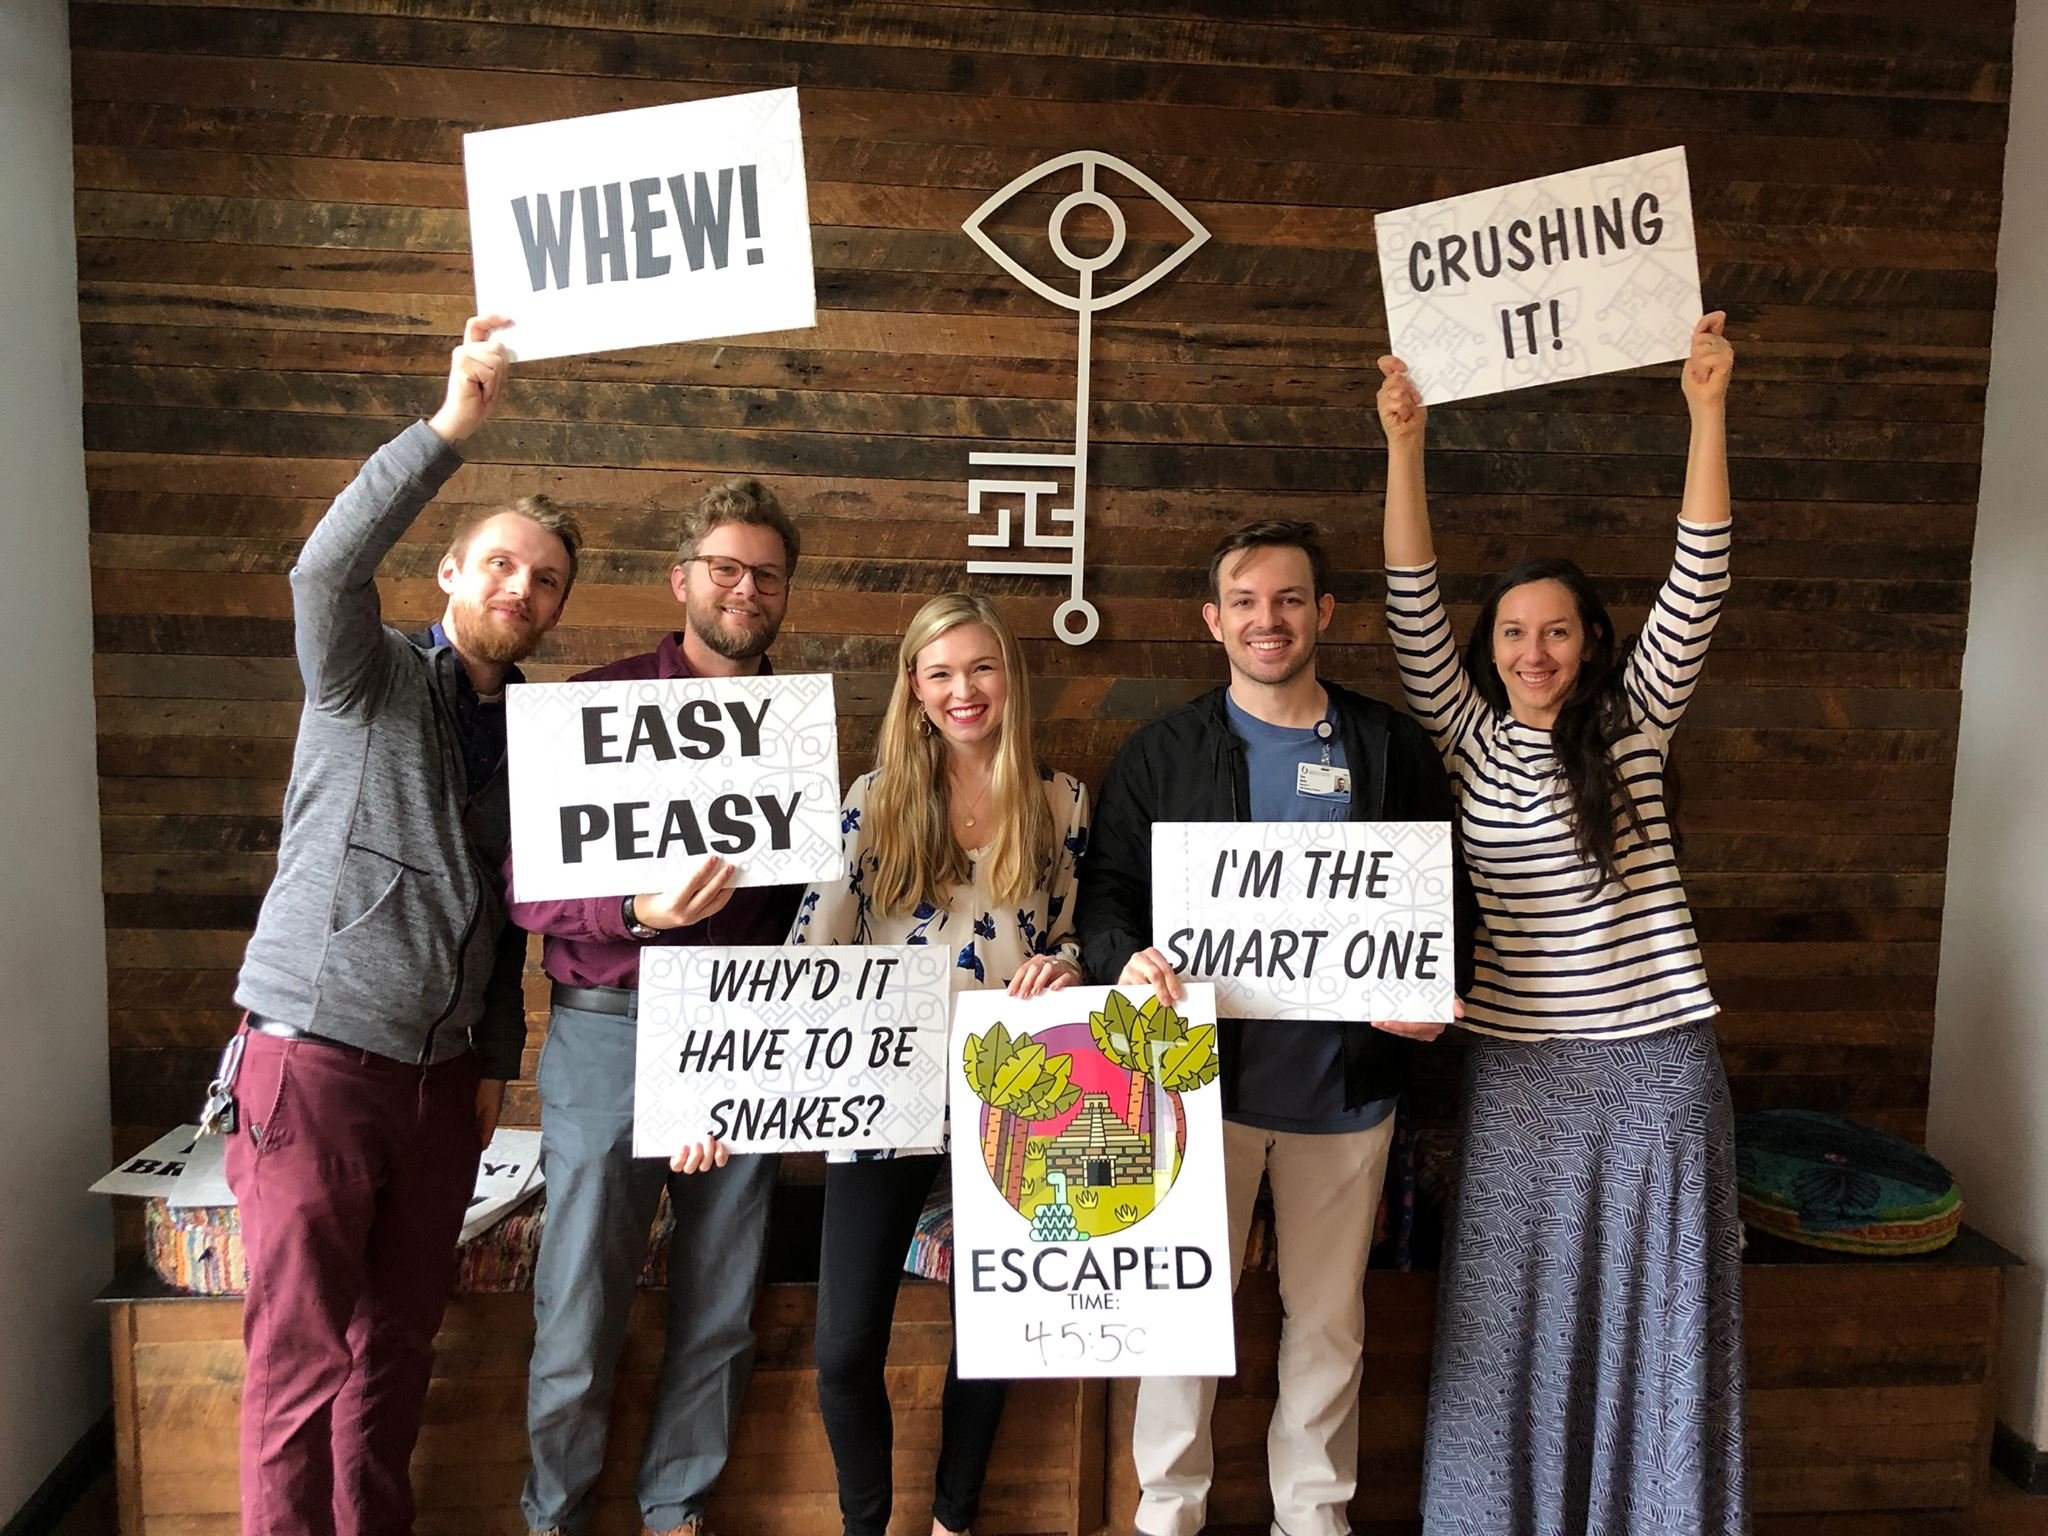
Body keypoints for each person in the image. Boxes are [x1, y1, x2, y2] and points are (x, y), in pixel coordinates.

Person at [1375, 314, 1744, 1535]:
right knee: (1506, 1323)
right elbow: (1408, 601)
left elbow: (1698, 577)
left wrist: (1704, 410)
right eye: (1511, 632)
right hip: (1520, 1071)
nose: (1532, 651)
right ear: (1488, 649)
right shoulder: (1464, 738)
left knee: (1659, 1318)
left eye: (1555, 630)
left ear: (1589, 644)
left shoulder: (1633, 723)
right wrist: (1404, 446)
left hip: (1656, 1068)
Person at [218, 314, 578, 1536]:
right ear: (450, 575)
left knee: (394, 1361)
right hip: (313, 1064)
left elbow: (510, 913)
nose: (520, 587)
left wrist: (491, 1065)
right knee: (298, 1369)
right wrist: (450, 428)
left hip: (438, 1091)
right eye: (501, 564)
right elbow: (322, 571)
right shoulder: (360, 674)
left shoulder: (538, 738)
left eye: (544, 580)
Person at [1075, 521, 1474, 1536]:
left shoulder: (1388, 747)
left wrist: (1435, 992)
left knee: (1329, 1323)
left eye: (1290, 599)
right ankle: (1166, 1512)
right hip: (1193, 1089)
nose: (1269, 620)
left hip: (1346, 1091)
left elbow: (1444, 897)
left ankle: (1313, 1515)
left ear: (1323, 613)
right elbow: (1106, 893)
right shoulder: (1160, 753)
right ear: (1213, 620)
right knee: (1179, 1314)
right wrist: (1123, 959)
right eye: (1246, 602)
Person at [509, 479, 807, 1536]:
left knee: (721, 1301)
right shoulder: (593, 707)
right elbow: (523, 887)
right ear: (683, 581)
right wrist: (635, 910)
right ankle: (554, 1515)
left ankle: (675, 1509)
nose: (745, 589)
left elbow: (809, 910)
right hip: (608, 1028)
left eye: (766, 574)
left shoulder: (797, 733)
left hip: (743, 1033)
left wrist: (752, 1046)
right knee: (578, 1302)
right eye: (725, 568)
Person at [789, 591, 1090, 1536]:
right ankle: (865, 1525)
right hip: (882, 1094)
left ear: (1011, 676)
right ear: (915, 689)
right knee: (843, 1349)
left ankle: (954, 1521)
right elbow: (810, 949)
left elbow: (1073, 933)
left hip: (1012, 1094)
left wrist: (1068, 965)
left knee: (993, 1339)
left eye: (982, 667)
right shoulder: (870, 800)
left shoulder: (1062, 800)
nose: (965, 691)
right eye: (942, 673)